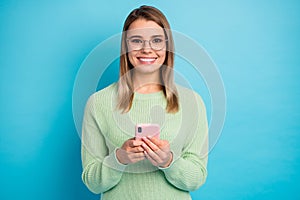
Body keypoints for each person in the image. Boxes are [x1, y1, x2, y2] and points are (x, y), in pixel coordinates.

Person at [81, 5, 208, 200]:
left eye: (156, 40)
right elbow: (92, 182)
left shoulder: (192, 102)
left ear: (167, 46)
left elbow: (197, 178)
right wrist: (119, 159)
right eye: (136, 41)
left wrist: (169, 161)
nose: (147, 49)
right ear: (125, 47)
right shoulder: (98, 103)